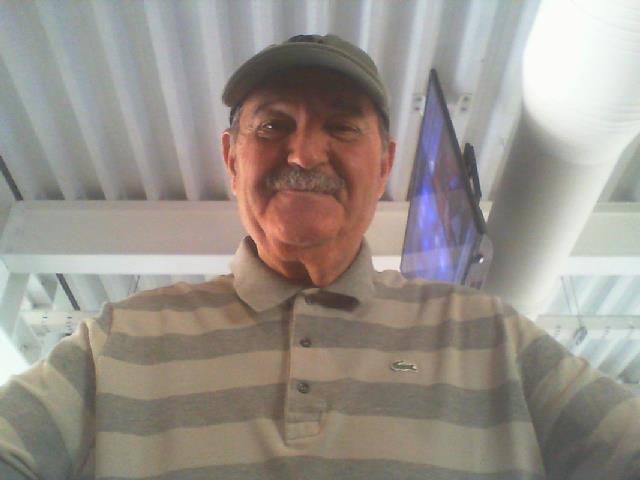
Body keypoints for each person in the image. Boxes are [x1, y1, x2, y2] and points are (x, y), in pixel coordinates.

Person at [1, 34, 639, 480]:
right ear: (231, 158)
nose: (305, 154)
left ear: (384, 163)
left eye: (342, 126)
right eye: (272, 125)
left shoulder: (493, 335)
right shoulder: (117, 342)